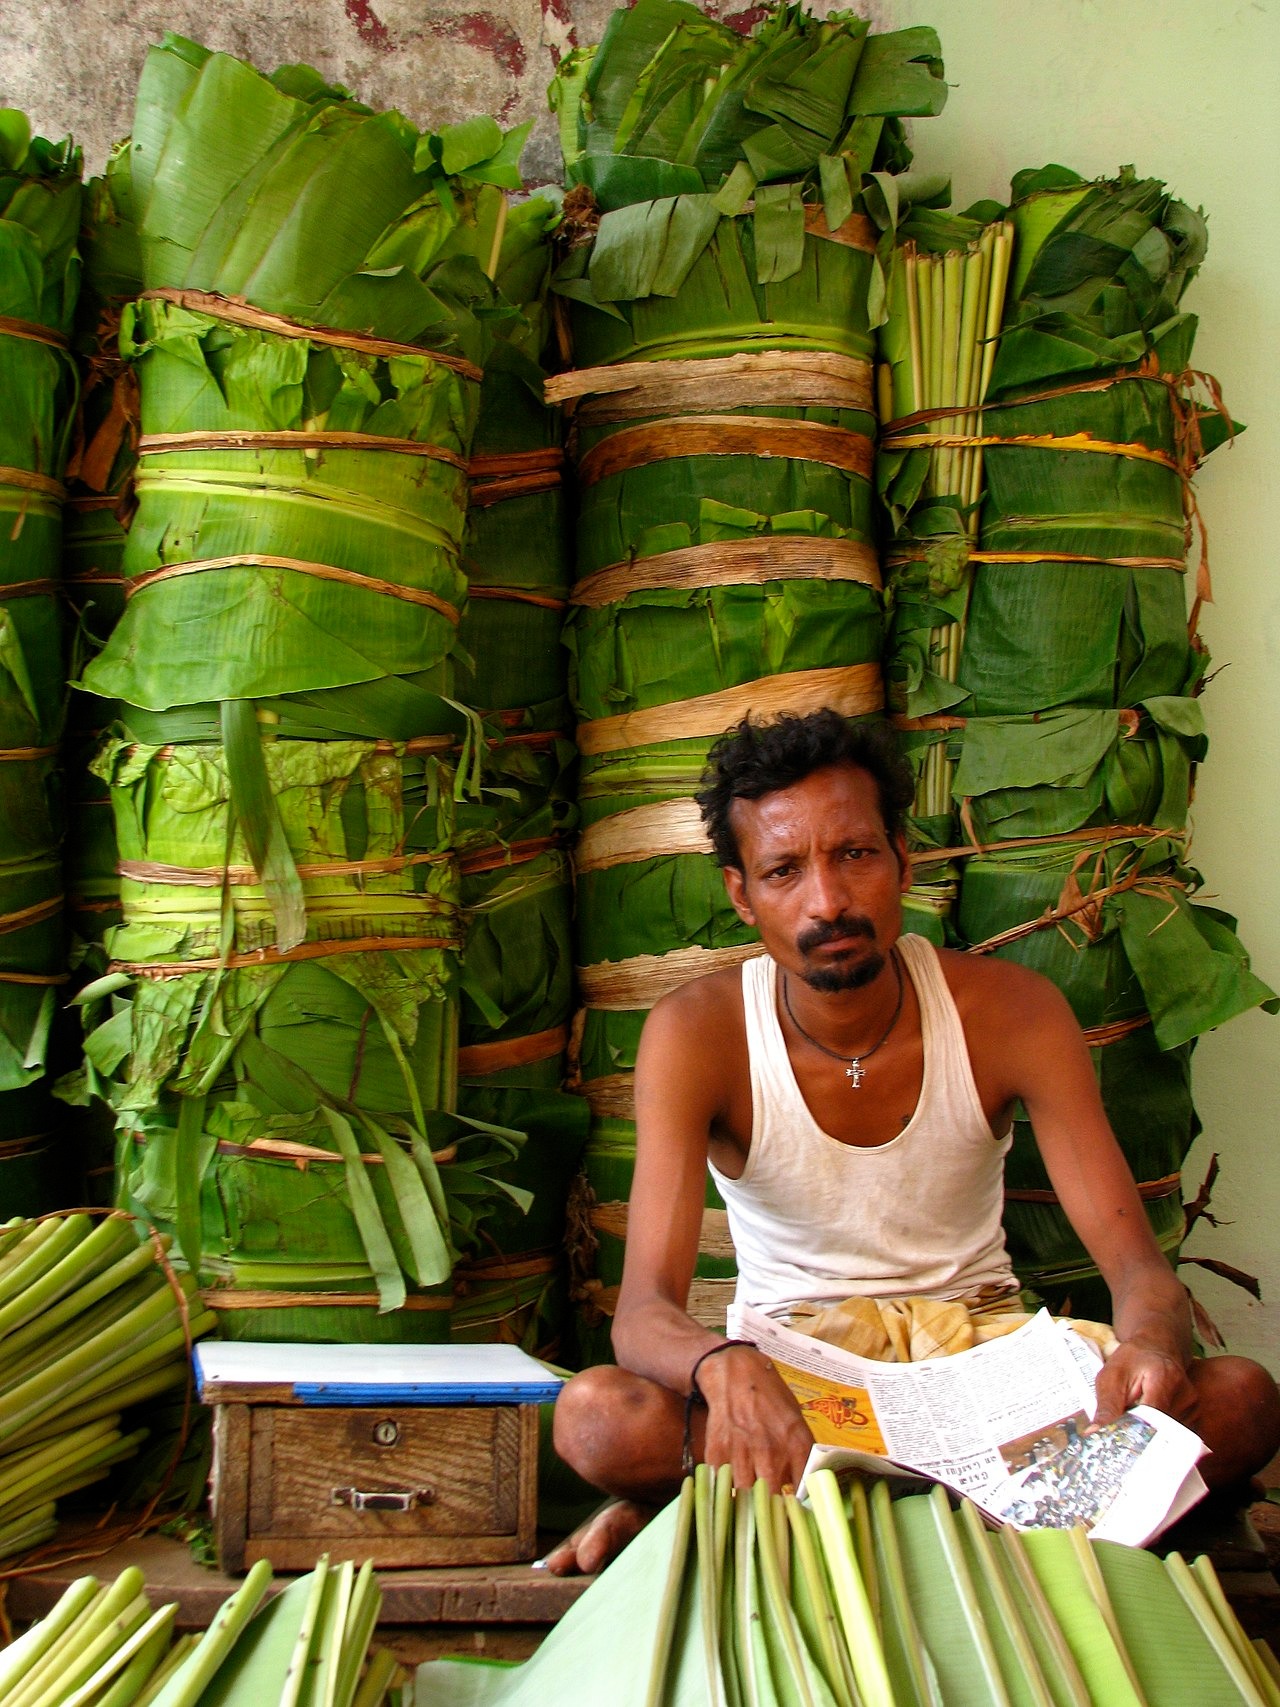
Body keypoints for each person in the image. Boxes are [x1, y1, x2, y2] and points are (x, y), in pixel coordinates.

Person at [547, 711, 1280, 1574]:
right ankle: (999, 1516)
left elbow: (1135, 1266)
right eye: (784, 869)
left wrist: (1153, 1343)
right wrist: (721, 1362)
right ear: (742, 893)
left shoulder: (1012, 1010)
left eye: (854, 853)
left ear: (903, 854)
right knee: (596, 1416)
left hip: (984, 1370)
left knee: (1241, 1398)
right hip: (800, 1379)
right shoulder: (698, 1032)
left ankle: (756, 1507)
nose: (827, 901)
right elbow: (641, 1316)